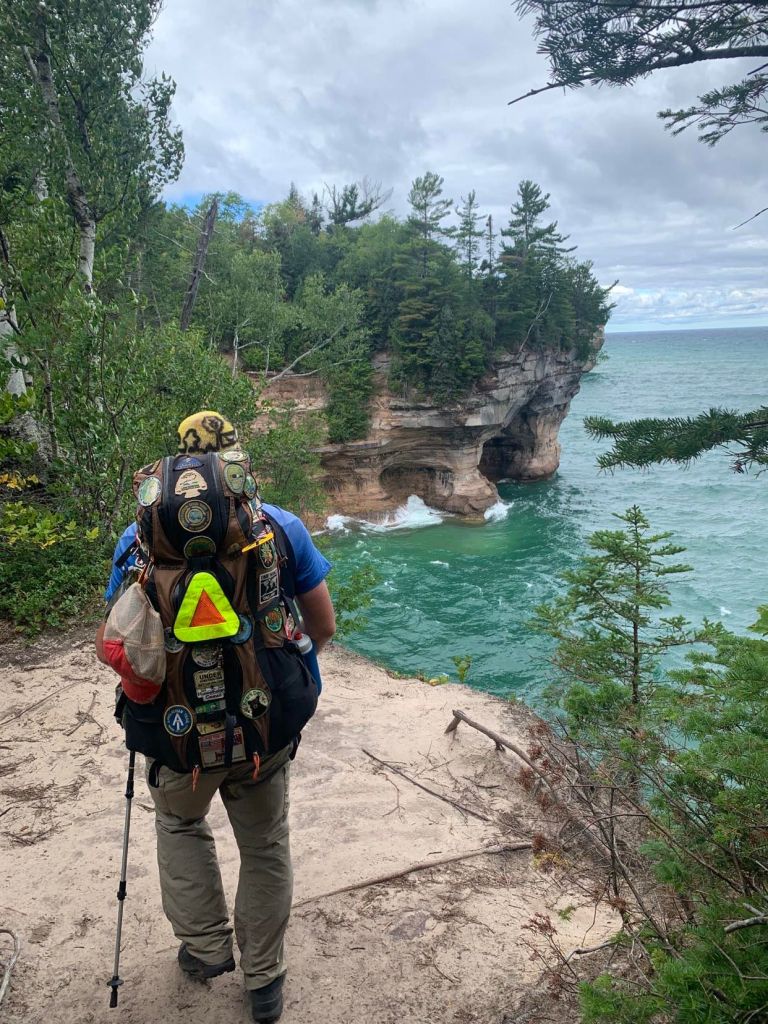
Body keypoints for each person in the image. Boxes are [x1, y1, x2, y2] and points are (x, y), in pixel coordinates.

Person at [97, 410, 335, 1024]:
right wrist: (277, 673)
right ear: (235, 461)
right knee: (265, 842)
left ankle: (204, 950)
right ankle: (264, 980)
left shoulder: (139, 539)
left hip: (174, 731)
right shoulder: (280, 527)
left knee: (180, 825)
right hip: (263, 728)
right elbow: (323, 625)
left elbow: (121, 638)